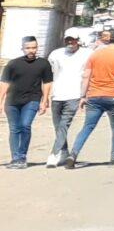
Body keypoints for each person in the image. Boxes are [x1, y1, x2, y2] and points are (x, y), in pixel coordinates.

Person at [68, 29, 114, 168]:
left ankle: (73, 154)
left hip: (94, 96)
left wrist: (83, 96)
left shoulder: (95, 54)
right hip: (113, 97)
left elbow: (86, 76)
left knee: (87, 127)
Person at [4, 35, 50, 168]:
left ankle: (22, 156)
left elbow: (47, 82)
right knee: (14, 129)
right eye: (28, 48)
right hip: (12, 101)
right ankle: (15, 158)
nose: (31, 50)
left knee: (25, 125)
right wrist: (1, 101)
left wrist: (44, 100)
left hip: (32, 100)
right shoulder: (13, 63)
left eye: (34, 47)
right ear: (22, 49)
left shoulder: (43, 63)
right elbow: (4, 83)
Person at [42, 32, 86, 167]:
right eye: (68, 40)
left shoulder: (87, 54)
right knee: (58, 125)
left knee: (64, 124)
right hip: (57, 94)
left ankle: (54, 154)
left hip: (74, 94)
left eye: (73, 40)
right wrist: (45, 96)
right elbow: (51, 74)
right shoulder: (56, 54)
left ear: (78, 40)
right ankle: (64, 151)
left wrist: (85, 95)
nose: (70, 43)